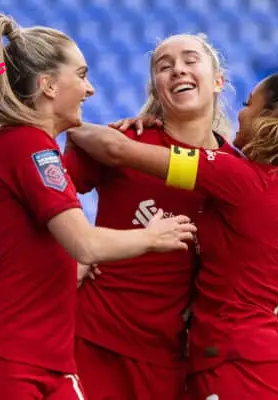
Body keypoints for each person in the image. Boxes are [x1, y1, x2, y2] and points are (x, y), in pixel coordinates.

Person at [0, 13, 196, 400]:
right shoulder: (29, 145)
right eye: (81, 74)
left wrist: (61, 269)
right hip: (2, 357)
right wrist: (153, 236)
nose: (90, 89)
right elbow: (86, 244)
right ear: (48, 85)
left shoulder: (2, 146)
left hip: (40, 357)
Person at [68, 72, 278, 400]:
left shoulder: (235, 177)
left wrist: (61, 121)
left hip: (234, 359)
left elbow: (115, 150)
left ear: (270, 119)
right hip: (265, 357)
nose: (240, 113)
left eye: (248, 104)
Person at [63, 33, 232, 400]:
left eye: (190, 60)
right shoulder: (123, 142)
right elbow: (38, 196)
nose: (177, 70)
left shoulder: (238, 170)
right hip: (92, 339)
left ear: (218, 80)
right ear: (155, 86)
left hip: (172, 359)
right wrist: (67, 254)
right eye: (164, 66)